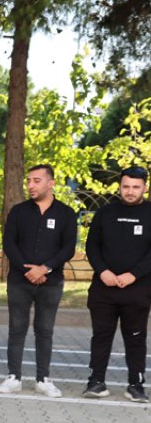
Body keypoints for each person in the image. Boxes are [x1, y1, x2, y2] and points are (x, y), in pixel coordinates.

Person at [0, 164, 76, 397]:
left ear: (50, 183)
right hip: (19, 281)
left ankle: (43, 379)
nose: (31, 185)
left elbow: (68, 248)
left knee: (45, 330)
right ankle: (14, 377)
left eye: (37, 180)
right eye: (29, 180)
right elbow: (9, 244)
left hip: (51, 282)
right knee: (17, 328)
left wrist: (45, 268)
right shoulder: (18, 211)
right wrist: (27, 270)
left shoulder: (66, 213)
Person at [83, 166, 151, 401]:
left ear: (145, 187)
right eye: (126, 186)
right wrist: (103, 271)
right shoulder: (105, 212)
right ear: (120, 187)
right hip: (104, 290)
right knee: (101, 337)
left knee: (135, 338)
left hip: (138, 291)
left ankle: (136, 385)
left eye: (135, 187)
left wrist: (134, 274)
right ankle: (96, 382)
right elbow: (92, 246)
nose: (130, 191)